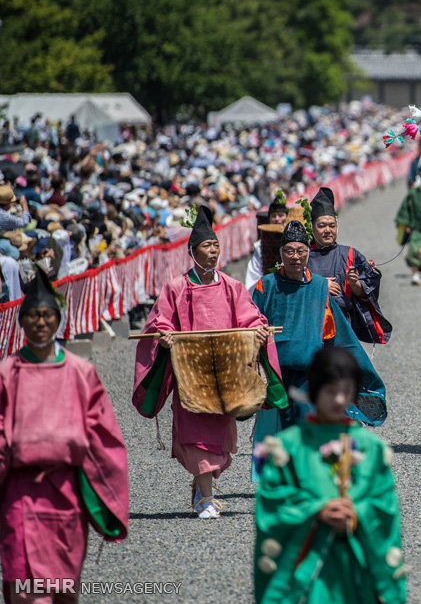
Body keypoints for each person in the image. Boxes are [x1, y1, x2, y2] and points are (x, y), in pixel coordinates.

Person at [132, 205, 283, 519]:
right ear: (192, 252)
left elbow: (250, 318)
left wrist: (257, 331)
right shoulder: (175, 288)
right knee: (196, 433)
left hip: (225, 374)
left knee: (219, 434)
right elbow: (158, 323)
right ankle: (206, 498)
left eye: (216, 246)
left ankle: (203, 488)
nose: (213, 251)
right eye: (206, 246)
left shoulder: (231, 286)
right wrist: (165, 336)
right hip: (190, 374)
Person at [0, 267, 129, 604]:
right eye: (32, 316)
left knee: (63, 588)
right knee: (24, 591)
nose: (39, 323)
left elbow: (104, 438)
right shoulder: (6, 373)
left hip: (66, 494)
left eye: (46, 316)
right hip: (18, 491)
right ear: (21, 322)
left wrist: (106, 494)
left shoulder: (80, 371)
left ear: (57, 321)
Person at [254, 346, 405, 604]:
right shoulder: (287, 448)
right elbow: (272, 501)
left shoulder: (371, 448)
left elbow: (384, 503)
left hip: (355, 560)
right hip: (306, 565)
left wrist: (357, 511)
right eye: (330, 391)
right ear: (314, 391)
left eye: (345, 392)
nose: (338, 400)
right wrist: (318, 510)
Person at [250, 220, 386, 479]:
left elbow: (338, 335)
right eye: (289, 250)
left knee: (308, 424)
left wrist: (360, 372)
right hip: (274, 373)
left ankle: (308, 478)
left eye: (300, 251)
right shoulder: (265, 286)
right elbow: (250, 321)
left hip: (309, 374)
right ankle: (283, 480)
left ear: (307, 253)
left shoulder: (319, 288)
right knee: (279, 428)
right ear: (280, 254)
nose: (295, 256)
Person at [307, 188, 392, 344]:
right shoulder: (302, 257)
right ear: (312, 228)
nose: (327, 230)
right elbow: (291, 287)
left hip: (344, 328)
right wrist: (319, 284)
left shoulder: (351, 254)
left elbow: (366, 292)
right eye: (322, 226)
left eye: (332, 226)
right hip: (309, 328)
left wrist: (356, 285)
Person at [244, 196, 290, 289]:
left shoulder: (296, 241)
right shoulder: (260, 246)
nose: (277, 219)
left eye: (281, 215)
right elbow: (253, 276)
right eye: (274, 216)